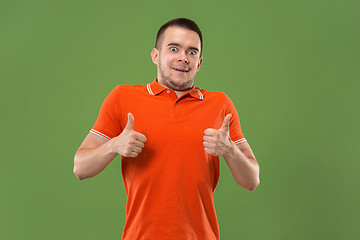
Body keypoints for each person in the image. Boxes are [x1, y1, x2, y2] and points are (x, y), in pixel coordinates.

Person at [73, 17, 260, 240]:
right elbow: (80, 168)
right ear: (156, 55)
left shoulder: (221, 104)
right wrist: (114, 145)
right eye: (174, 48)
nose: (183, 58)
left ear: (199, 62)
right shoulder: (122, 98)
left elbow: (252, 180)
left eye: (192, 52)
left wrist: (230, 150)